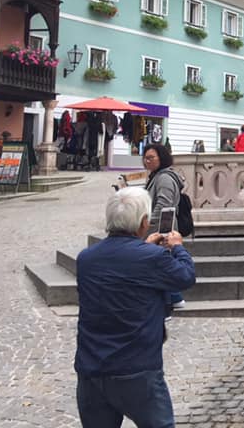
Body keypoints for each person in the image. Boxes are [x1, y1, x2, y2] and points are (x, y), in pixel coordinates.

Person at [74, 187, 196, 427]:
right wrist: (178, 247)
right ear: (144, 222)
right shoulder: (151, 258)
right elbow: (185, 277)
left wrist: (145, 245)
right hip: (137, 368)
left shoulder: (86, 259)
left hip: (91, 368)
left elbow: (122, 267)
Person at [143, 143, 185, 309]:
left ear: (162, 158)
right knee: (163, 265)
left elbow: (164, 204)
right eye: (145, 158)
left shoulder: (164, 178)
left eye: (151, 158)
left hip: (161, 229)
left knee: (161, 265)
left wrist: (148, 224)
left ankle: (170, 300)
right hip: (161, 228)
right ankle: (174, 297)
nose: (147, 161)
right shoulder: (157, 176)